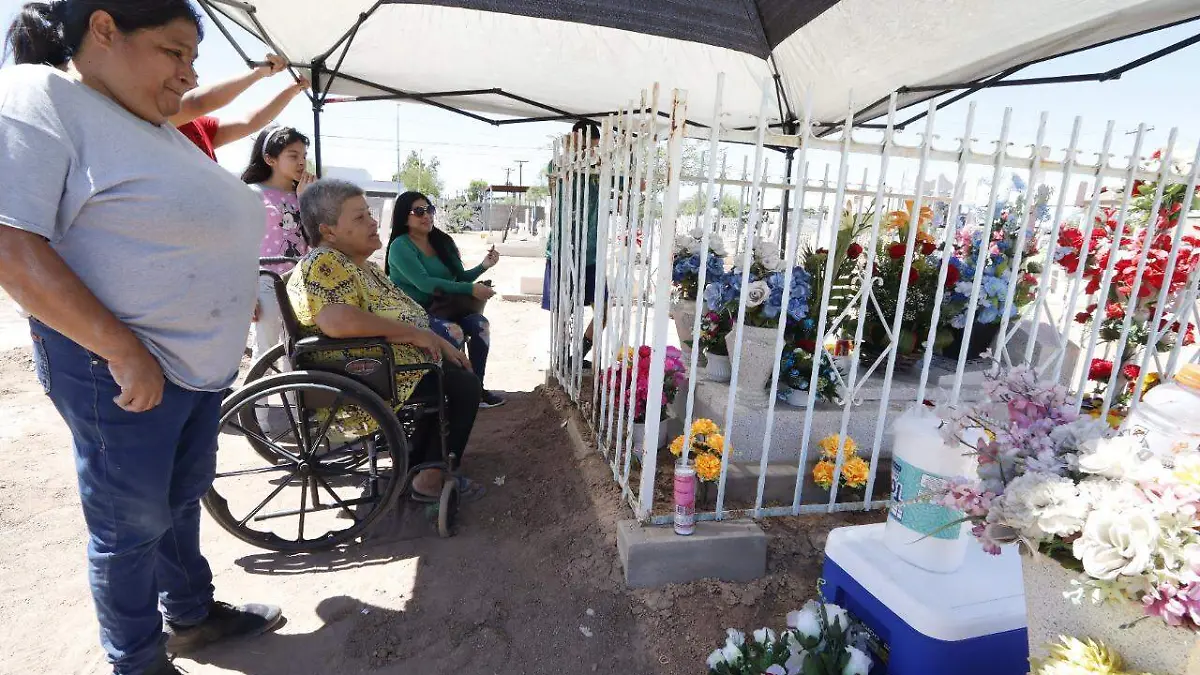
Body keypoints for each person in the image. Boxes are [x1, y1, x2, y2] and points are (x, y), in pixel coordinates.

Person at [0, 3, 282, 675]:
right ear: (104, 29)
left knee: (179, 501)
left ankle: (190, 613)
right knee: (130, 528)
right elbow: (11, 242)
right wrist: (123, 350)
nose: (187, 73)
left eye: (192, 59)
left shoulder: (146, 120)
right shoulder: (41, 94)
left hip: (193, 365)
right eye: (174, 51)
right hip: (122, 368)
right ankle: (137, 661)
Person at [289, 179, 486, 502]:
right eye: (360, 217)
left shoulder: (357, 264)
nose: (373, 222)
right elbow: (337, 321)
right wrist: (416, 334)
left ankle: (421, 463)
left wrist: (434, 341)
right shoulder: (325, 262)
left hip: (389, 364)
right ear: (328, 231)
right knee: (464, 387)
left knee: (454, 375)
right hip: (366, 372)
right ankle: (430, 478)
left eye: (369, 214)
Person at [384, 191, 505, 408]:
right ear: (404, 217)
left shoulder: (442, 241)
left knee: (480, 325)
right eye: (418, 211)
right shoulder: (400, 247)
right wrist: (470, 289)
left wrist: (484, 266)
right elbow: (425, 284)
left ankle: (476, 388)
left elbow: (460, 277)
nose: (426, 215)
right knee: (454, 332)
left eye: (429, 209)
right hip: (416, 314)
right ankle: (449, 392)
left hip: (447, 309)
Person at [241, 125, 315, 362]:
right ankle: (260, 400)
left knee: (296, 352)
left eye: (304, 156)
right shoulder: (252, 193)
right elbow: (241, 245)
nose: (301, 162)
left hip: (300, 283)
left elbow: (316, 239)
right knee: (267, 351)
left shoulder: (305, 194)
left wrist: (308, 201)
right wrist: (247, 292)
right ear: (270, 159)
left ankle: (292, 400)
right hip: (266, 282)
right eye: (293, 156)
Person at [172, 53, 309, 162]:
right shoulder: (160, 119)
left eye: (191, 63)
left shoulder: (198, 124)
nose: (195, 74)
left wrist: (294, 89)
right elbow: (198, 102)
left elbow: (251, 122)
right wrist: (258, 73)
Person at [543, 119, 603, 365]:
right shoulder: (558, 162)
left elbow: (633, 182)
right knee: (563, 309)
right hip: (562, 250)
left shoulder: (599, 168)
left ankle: (577, 356)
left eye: (594, 147)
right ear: (574, 139)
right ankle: (560, 359)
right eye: (587, 146)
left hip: (590, 253)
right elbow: (556, 170)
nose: (590, 152)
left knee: (604, 308)